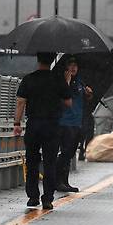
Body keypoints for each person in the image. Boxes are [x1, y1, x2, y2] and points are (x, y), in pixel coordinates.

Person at [14, 52, 72, 210]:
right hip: (52, 126)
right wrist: (66, 83)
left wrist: (17, 123)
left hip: (33, 125)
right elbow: (68, 103)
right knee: (50, 162)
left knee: (32, 161)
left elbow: (20, 102)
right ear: (53, 60)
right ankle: (47, 198)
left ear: (37, 60)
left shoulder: (29, 79)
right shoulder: (58, 80)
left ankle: (33, 197)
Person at [56, 56, 93, 193]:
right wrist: (66, 82)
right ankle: (57, 180)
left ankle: (65, 181)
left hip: (77, 122)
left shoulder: (79, 82)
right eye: (70, 65)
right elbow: (59, 98)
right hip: (65, 122)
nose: (73, 68)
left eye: (75, 65)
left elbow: (84, 100)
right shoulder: (62, 81)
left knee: (70, 153)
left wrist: (89, 95)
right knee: (65, 152)